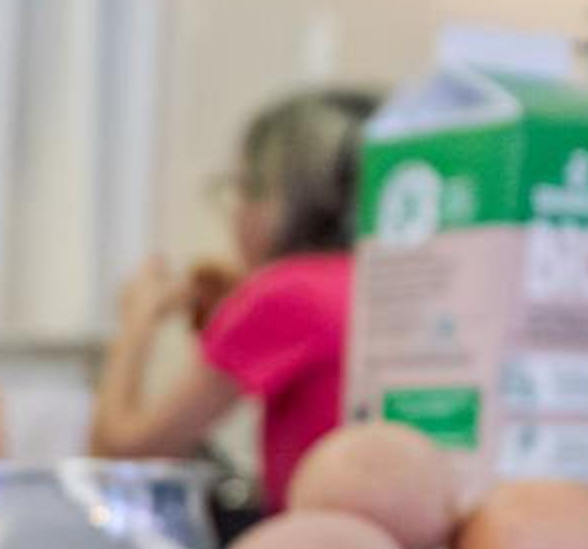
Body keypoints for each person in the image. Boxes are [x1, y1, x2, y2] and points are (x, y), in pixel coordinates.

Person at [89, 87, 378, 512]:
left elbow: (123, 457)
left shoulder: (287, 291)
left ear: (277, 200)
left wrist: (137, 321)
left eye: (241, 189)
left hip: (316, 537)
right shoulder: (379, 282)